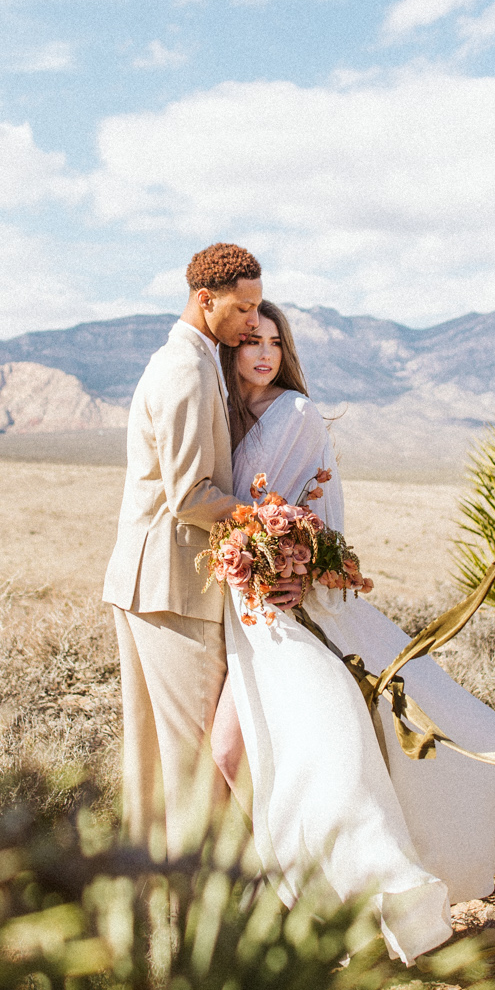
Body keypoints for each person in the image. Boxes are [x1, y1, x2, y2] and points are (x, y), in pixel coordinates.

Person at [209, 302, 495, 962]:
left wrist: (303, 570)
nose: (264, 354)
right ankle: (274, 900)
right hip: (241, 617)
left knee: (323, 753)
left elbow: (326, 521)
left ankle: (379, 901)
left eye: (275, 343)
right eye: (251, 341)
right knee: (233, 755)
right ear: (228, 348)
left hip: (290, 613)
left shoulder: (298, 414)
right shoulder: (219, 419)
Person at [102, 243, 302, 856]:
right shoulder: (186, 370)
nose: (252, 322)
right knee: (193, 766)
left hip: (150, 583)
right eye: (242, 310)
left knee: (156, 764)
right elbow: (190, 495)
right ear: (204, 300)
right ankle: (199, 919)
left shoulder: (190, 361)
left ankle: (157, 917)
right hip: (171, 586)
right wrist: (273, 518)